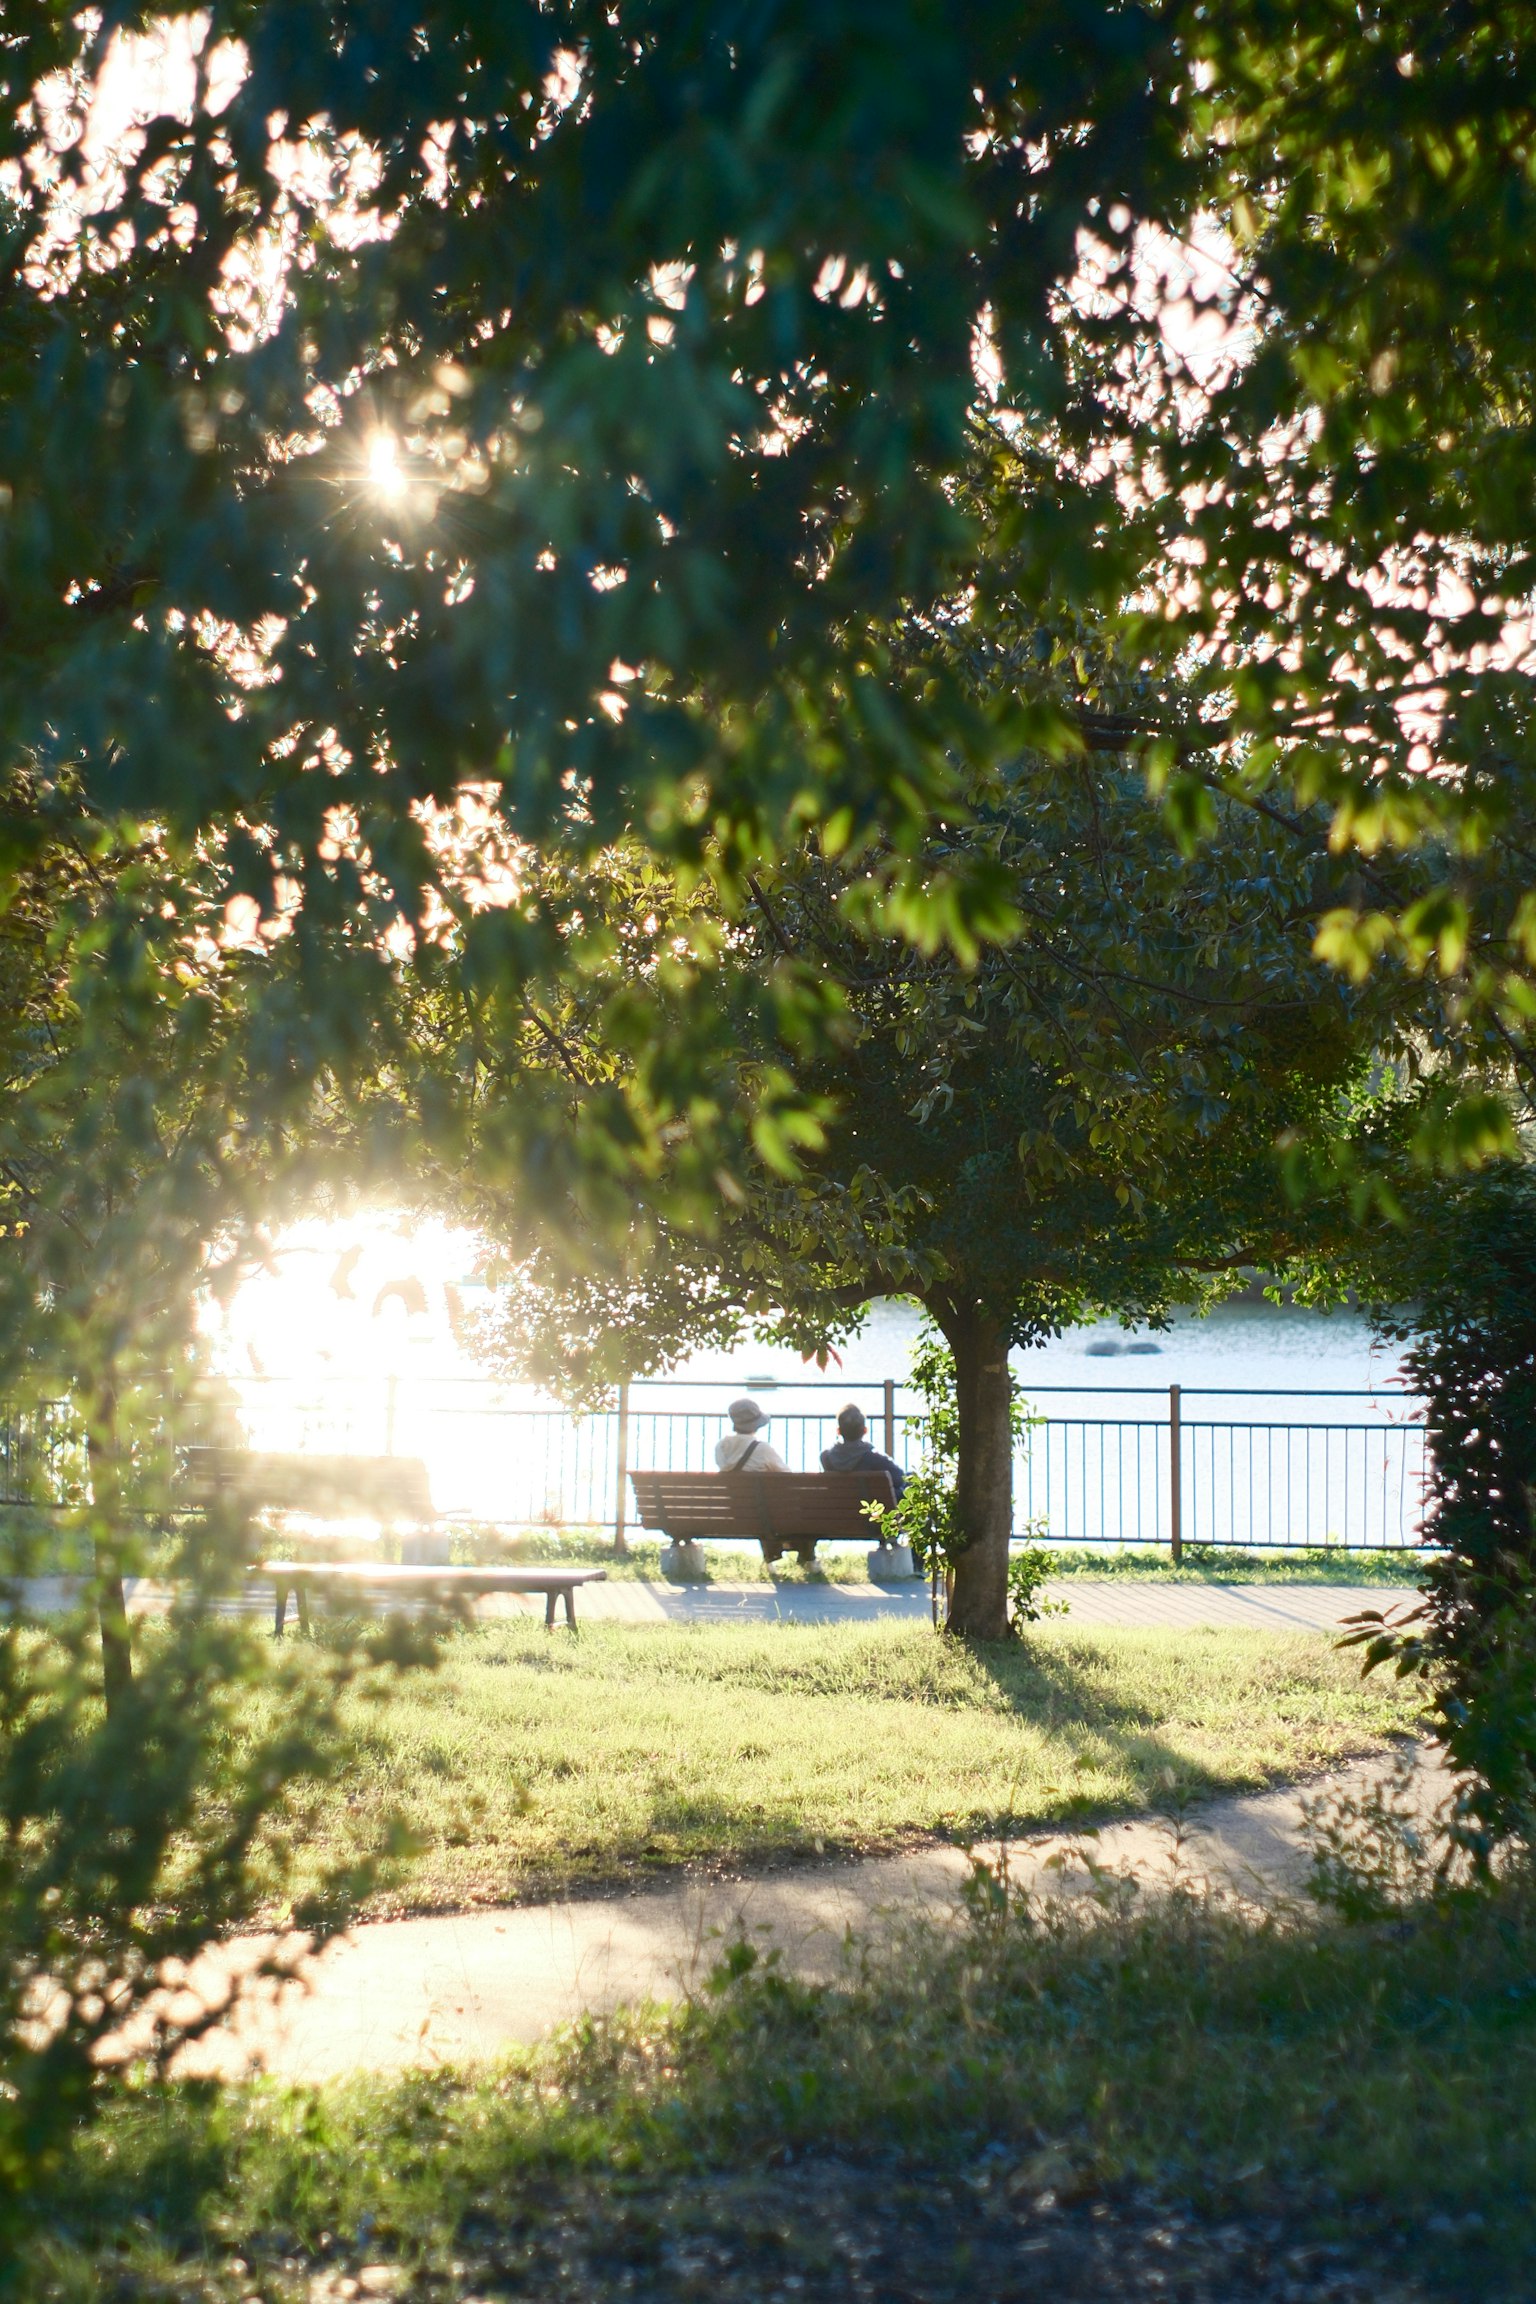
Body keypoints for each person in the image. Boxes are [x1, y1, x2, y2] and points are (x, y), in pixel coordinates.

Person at [820, 1403, 907, 1498]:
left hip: (836, 1508)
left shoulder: (826, 1457)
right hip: (867, 1509)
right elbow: (900, 1478)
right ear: (865, 1430)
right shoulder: (874, 1458)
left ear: (839, 1431)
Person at [715, 1396, 790, 1473]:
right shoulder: (763, 1449)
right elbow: (787, 1475)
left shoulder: (721, 1446)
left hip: (731, 1485)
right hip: (756, 1485)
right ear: (757, 1425)